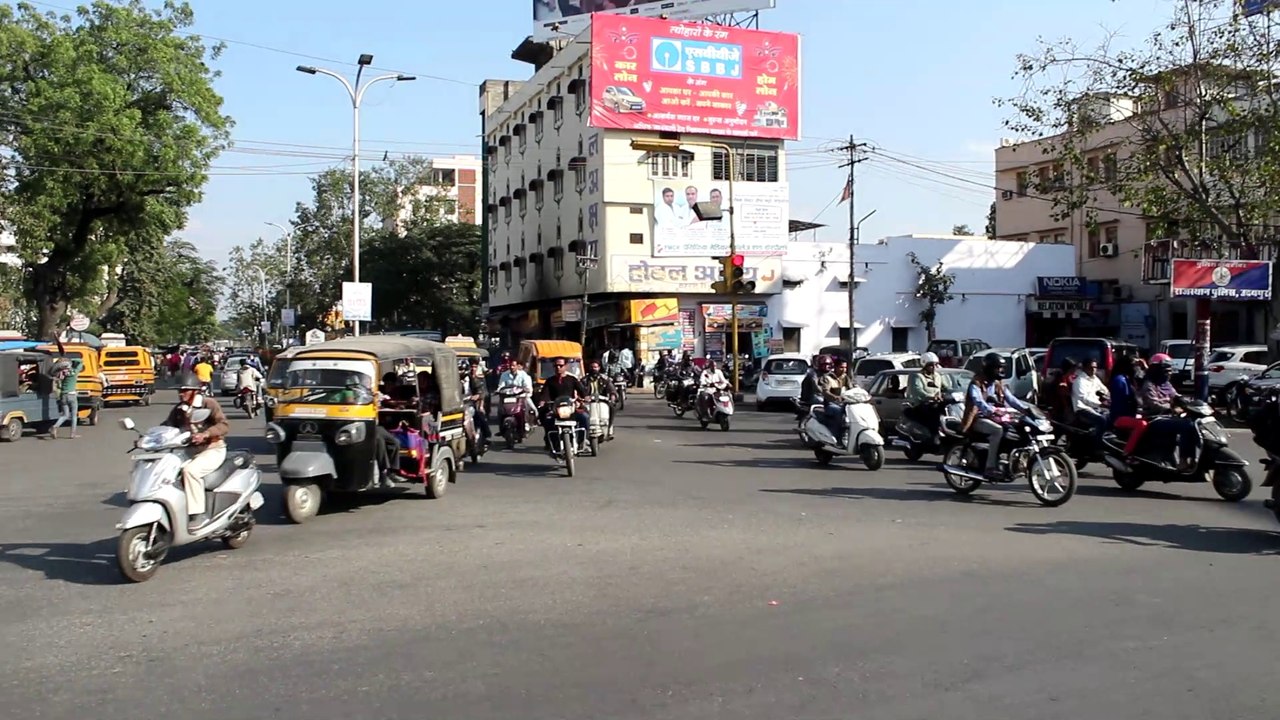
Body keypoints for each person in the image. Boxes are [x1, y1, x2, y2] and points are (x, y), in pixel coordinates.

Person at [163, 373, 230, 530]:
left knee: (190, 471)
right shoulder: (179, 409)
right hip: (188, 450)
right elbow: (167, 426)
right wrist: (149, 438)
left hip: (213, 449)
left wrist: (206, 434)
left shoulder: (209, 404)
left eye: (185, 390)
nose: (181, 394)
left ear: (195, 391)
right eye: (179, 391)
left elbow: (224, 425)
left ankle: (197, 514)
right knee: (167, 471)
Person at [961, 352, 1031, 480]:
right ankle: (990, 467)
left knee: (1017, 429)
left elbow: (1011, 399)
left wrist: (1025, 409)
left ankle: (1014, 462)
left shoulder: (998, 384)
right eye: (997, 368)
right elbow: (978, 401)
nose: (1000, 370)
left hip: (996, 418)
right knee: (997, 431)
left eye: (1001, 368)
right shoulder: (976, 383)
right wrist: (990, 410)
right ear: (989, 368)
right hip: (978, 418)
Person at [1134, 353, 1196, 471]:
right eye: (1166, 371)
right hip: (1154, 418)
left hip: (1168, 416)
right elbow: (1154, 405)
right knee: (1186, 426)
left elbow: (1176, 396)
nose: (1170, 373)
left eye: (1170, 370)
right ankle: (1183, 461)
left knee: (1195, 424)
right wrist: (1171, 408)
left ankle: (1193, 459)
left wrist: (1190, 403)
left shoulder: (1166, 384)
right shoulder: (1149, 385)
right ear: (1158, 370)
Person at [540, 357, 590, 451]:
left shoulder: (572, 379)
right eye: (556, 366)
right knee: (547, 420)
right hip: (556, 409)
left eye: (561, 365)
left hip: (570, 408)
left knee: (584, 417)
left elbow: (582, 391)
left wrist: (586, 397)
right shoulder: (550, 381)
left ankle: (582, 441)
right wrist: (543, 401)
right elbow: (545, 394)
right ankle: (551, 442)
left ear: (566, 366)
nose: (558, 367)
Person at [906, 351, 952, 435]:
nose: (934, 367)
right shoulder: (917, 376)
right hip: (922, 404)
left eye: (935, 365)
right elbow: (918, 391)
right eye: (931, 365)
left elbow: (947, 387)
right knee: (933, 417)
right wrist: (931, 397)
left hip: (937, 403)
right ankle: (932, 434)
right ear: (924, 365)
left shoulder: (938, 376)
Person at [1071, 357, 1110, 432]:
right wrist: (1100, 404)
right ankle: (1099, 442)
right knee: (1102, 420)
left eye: (1095, 367)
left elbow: (1105, 391)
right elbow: (1084, 399)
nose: (1093, 370)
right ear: (1084, 368)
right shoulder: (1080, 381)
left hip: (1096, 408)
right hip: (1083, 409)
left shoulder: (1094, 379)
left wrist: (1109, 399)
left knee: (1113, 416)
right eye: (1090, 367)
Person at [48, 355, 82, 440]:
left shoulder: (62, 373)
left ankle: (55, 426)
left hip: (63, 395)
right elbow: (80, 361)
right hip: (72, 395)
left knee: (65, 415)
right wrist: (71, 360)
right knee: (74, 415)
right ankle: (72, 434)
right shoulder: (74, 372)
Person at [498, 358, 537, 429]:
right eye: (510, 365)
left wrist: (526, 390)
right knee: (501, 409)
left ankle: (527, 423)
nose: (512, 367)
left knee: (529, 407)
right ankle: (501, 427)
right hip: (508, 396)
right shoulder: (504, 374)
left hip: (521, 396)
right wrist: (499, 390)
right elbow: (501, 385)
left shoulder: (523, 375)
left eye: (514, 365)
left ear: (517, 366)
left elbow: (527, 386)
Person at [583, 359, 616, 438]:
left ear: (599, 368)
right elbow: (580, 390)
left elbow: (611, 388)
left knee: (612, 407)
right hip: (588, 402)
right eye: (592, 367)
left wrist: (613, 395)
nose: (594, 369)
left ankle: (610, 427)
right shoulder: (584, 380)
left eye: (595, 367)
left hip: (603, 400)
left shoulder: (604, 378)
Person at [463, 363, 492, 450]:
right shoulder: (456, 380)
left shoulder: (475, 379)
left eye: (475, 367)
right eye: (471, 367)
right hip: (460, 405)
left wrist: (478, 396)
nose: (473, 369)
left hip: (470, 404)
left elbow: (481, 391)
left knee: (480, 415)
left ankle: (485, 436)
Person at [1049, 358, 1078, 423]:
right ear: (1069, 369)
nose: (1075, 370)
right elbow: (1064, 395)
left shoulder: (1068, 378)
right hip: (1061, 408)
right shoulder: (1060, 381)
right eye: (1073, 368)